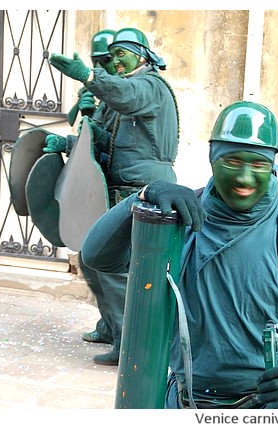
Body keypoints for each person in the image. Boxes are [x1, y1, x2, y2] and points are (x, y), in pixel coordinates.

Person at [80, 100, 278, 408]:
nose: (245, 178)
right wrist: (140, 198)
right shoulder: (178, 221)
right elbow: (98, 256)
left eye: (259, 165)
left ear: (273, 164)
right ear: (212, 158)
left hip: (272, 409)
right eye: (233, 162)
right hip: (186, 402)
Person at [47, 27, 180, 366]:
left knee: (116, 268)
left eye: (121, 54)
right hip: (119, 190)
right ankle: (110, 326)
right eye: (110, 56)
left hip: (142, 191)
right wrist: (72, 140)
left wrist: (89, 77)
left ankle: (128, 344)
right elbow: (106, 141)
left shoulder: (150, 87)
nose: (115, 62)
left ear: (142, 55)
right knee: (93, 260)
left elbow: (127, 96)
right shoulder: (127, 89)